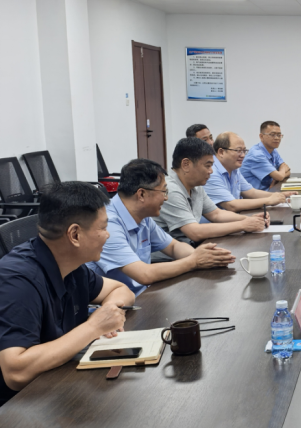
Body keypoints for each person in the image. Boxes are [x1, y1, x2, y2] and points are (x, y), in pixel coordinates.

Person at [0, 182, 135, 406]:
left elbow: (122, 290)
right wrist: (94, 327)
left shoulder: (72, 267)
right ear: (75, 234)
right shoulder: (18, 281)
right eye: (103, 228)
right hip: (19, 408)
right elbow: (15, 372)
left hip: (58, 388)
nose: (107, 235)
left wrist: (106, 312)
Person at [87, 159, 237, 295]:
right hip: (119, 305)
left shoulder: (142, 217)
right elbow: (144, 274)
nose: (166, 198)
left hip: (144, 294)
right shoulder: (107, 225)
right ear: (141, 194)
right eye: (164, 191)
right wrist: (194, 261)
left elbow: (173, 247)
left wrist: (204, 256)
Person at [155, 137, 270, 243]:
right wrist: (242, 225)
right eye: (207, 166)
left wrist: (250, 219)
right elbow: (195, 232)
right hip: (173, 256)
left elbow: (216, 214)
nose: (211, 171)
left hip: (190, 248)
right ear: (186, 164)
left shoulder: (196, 186)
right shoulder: (170, 190)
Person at [205, 132, 288, 212]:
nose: (243, 155)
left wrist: (280, 196)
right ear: (221, 152)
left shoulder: (233, 168)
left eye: (244, 150)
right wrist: (269, 200)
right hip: (217, 221)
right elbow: (231, 205)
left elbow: (251, 192)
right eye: (238, 150)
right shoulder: (211, 173)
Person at [241, 121, 291, 190]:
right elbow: (280, 175)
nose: (277, 138)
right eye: (272, 135)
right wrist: (280, 173)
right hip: (253, 195)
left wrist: (276, 178)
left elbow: (287, 170)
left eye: (279, 135)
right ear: (261, 136)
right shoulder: (256, 155)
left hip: (268, 190)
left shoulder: (273, 150)